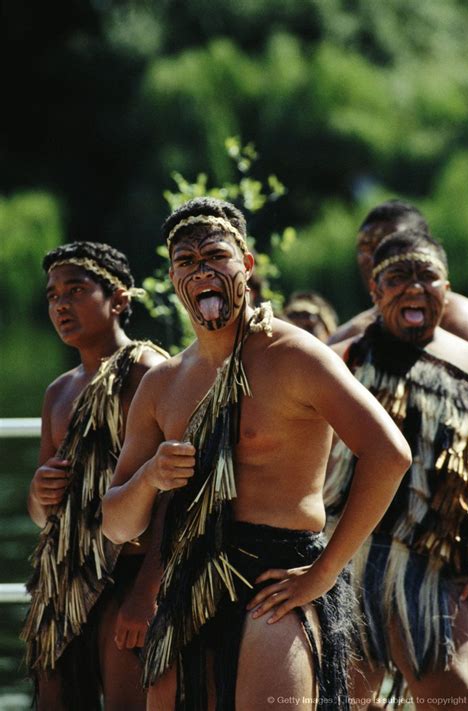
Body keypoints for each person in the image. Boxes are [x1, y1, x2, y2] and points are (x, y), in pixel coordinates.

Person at [101, 197, 411, 711]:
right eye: (186, 262)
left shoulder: (294, 356)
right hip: (190, 587)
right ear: (174, 279)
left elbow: (389, 454)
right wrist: (152, 476)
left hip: (276, 582)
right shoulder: (163, 384)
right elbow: (116, 523)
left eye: (215, 255)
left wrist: (326, 570)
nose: (201, 270)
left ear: (246, 264)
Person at [325, 229, 468, 709]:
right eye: (398, 277)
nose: (414, 287)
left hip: (434, 573)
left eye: (426, 275)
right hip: (343, 564)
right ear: (375, 292)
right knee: (341, 699)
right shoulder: (344, 360)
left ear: (446, 289)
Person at [21, 242, 169, 711]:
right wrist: (37, 491)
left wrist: (147, 592)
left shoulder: (148, 372)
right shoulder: (57, 392)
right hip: (63, 580)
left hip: (129, 572)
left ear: (119, 300)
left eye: (76, 290)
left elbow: (177, 492)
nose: (60, 304)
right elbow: (41, 514)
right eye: (52, 295)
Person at [327, 200, 468, 345]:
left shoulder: (462, 321)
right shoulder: (346, 339)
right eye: (364, 248)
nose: (373, 258)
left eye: (389, 246)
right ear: (374, 289)